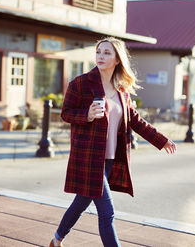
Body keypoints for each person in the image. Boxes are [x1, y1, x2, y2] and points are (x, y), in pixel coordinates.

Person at [49, 37, 177, 247]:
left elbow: (135, 120)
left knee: (81, 202)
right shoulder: (81, 84)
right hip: (89, 158)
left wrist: (161, 140)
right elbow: (66, 113)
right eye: (99, 52)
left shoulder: (122, 90)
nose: (101, 56)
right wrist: (87, 115)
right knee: (107, 213)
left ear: (118, 59)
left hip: (110, 159)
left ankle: (56, 239)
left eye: (107, 53)